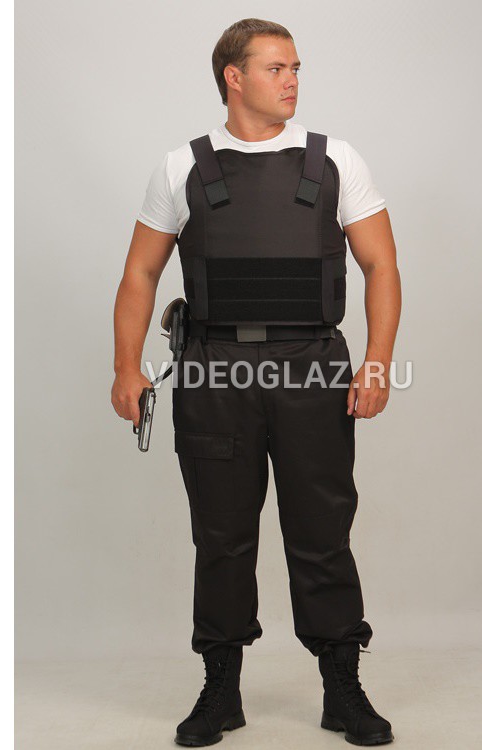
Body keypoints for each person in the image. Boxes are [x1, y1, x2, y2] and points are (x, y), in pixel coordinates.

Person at [111, 17, 401, 747]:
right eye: (277, 68)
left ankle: (342, 689)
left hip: (313, 366)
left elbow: (381, 266)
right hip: (214, 371)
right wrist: (126, 366)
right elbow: (141, 272)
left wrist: (376, 360)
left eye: (297, 67)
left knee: (322, 531)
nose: (293, 81)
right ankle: (221, 691)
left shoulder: (335, 160)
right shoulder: (181, 168)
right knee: (222, 537)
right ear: (233, 78)